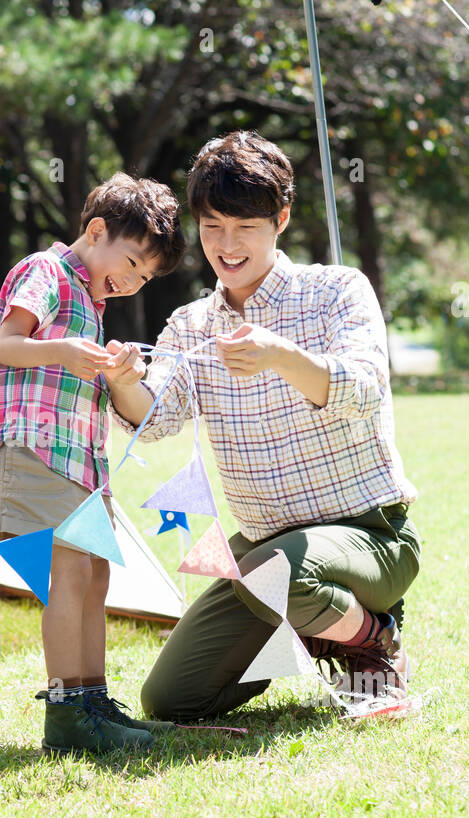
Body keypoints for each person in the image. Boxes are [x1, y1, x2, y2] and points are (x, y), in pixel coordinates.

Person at [102, 131, 421, 721]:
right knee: (171, 700)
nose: (227, 245)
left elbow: (365, 389)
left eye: (244, 226)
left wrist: (281, 355)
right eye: (212, 225)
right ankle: (318, 629)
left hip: (373, 537)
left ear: (281, 218)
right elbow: (154, 419)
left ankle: (374, 639)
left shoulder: (335, 290)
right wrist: (123, 379)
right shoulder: (191, 323)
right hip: (262, 554)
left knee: (276, 570)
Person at [0, 172, 186, 754]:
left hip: (81, 462)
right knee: (70, 577)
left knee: (95, 577)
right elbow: (6, 343)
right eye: (129, 264)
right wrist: (67, 350)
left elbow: (82, 382)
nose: (129, 283)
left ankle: (94, 700)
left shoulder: (91, 300)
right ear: (96, 231)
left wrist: (115, 370)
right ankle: (66, 712)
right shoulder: (45, 273)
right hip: (37, 451)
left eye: (142, 279)